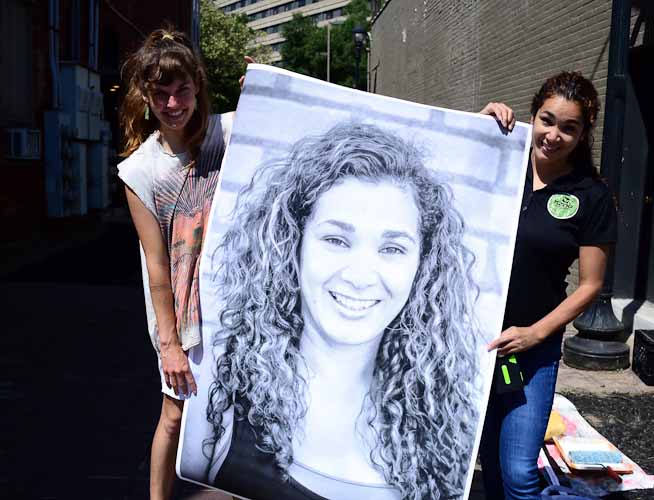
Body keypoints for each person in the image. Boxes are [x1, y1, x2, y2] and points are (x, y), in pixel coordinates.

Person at [203, 122, 481, 500]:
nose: (361, 276)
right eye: (336, 239)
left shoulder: (442, 431)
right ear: (292, 245)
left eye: (393, 248)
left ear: (423, 266)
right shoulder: (220, 401)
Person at [478, 71, 617, 500]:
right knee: (483, 459)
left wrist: (536, 333)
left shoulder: (590, 195)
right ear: (534, 115)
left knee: (519, 472)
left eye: (568, 127)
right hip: (476, 341)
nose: (553, 135)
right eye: (547, 119)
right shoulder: (501, 163)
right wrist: (477, 130)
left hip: (532, 351)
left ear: (582, 134)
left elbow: (591, 284)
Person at [117, 28, 238, 500]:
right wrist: (169, 346)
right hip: (181, 319)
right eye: (161, 93)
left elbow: (308, 122)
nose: (173, 103)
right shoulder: (140, 171)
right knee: (175, 413)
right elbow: (157, 270)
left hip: (234, 303)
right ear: (146, 97)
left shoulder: (225, 135)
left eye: (182, 89)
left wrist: (469, 130)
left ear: (198, 85)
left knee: (240, 411)